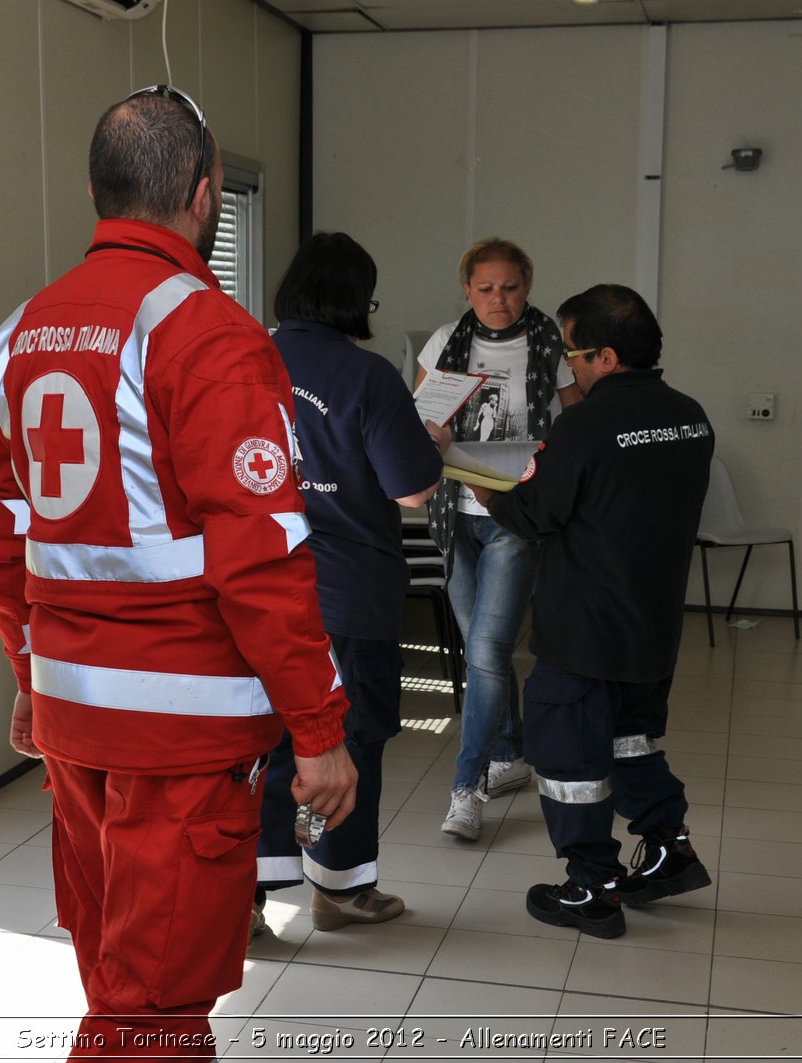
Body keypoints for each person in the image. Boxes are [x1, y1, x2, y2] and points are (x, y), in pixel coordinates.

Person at [0, 86, 356, 1059]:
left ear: (101, 192)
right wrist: (319, 730)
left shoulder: (20, 333)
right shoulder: (207, 334)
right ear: (202, 191)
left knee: (122, 977)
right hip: (182, 743)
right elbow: (262, 559)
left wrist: (29, 673)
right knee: (153, 1015)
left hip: (74, 724)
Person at [471, 283, 714, 939]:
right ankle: (669, 847)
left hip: (585, 629)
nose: (569, 368)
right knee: (630, 741)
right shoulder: (691, 416)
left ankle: (592, 887)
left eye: (575, 354)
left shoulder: (587, 424)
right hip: (652, 624)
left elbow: (533, 511)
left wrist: (479, 485)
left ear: (606, 357)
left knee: (568, 756)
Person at [253, 232, 444, 932]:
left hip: (252, 591)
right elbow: (415, 489)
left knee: (257, 742)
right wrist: (434, 446)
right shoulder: (366, 377)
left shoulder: (244, 358)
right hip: (348, 593)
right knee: (351, 737)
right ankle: (340, 888)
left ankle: (244, 899)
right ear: (358, 300)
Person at [412, 238, 580, 841]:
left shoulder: (549, 344)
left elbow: (579, 422)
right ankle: (512, 751)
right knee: (487, 651)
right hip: (454, 514)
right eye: (485, 288)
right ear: (467, 290)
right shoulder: (444, 342)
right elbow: (422, 422)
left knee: (484, 652)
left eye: (509, 287)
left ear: (527, 286)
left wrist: (549, 466)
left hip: (513, 514)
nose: (498, 299)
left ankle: (467, 787)